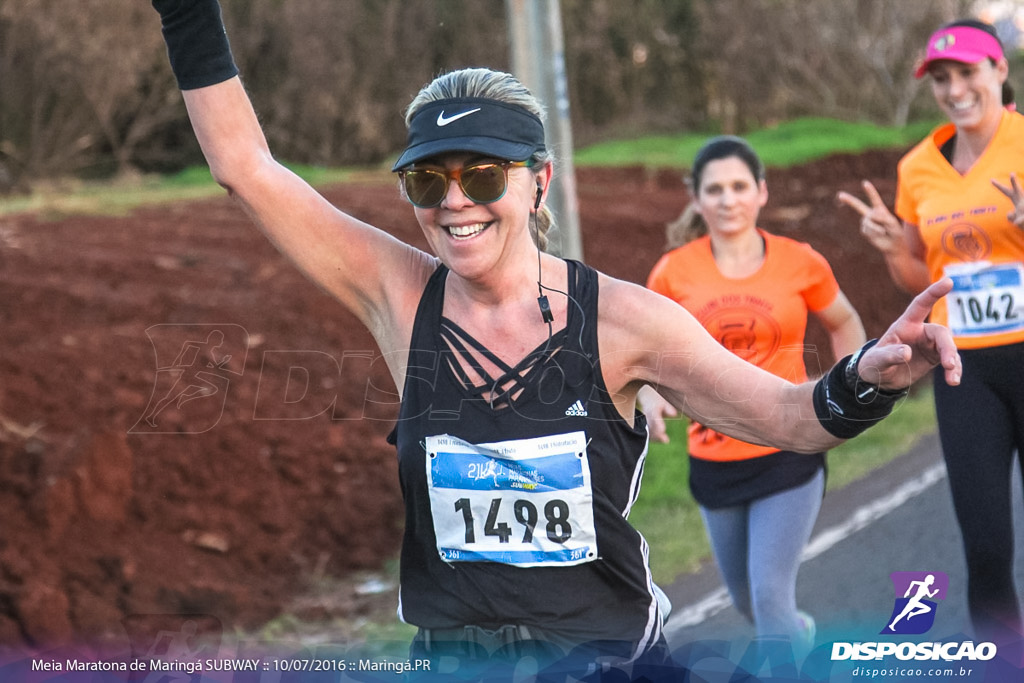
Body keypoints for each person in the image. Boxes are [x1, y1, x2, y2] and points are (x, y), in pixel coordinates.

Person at [151, 1, 962, 677]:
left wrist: (869, 375)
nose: (454, 202)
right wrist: (186, 8)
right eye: (428, 180)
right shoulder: (398, 294)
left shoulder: (624, 321)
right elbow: (245, 166)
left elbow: (789, 418)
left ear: (536, 179)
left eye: (482, 175)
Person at [838, 18, 1024, 644]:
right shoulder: (917, 167)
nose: (954, 88)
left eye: (967, 72)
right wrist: (896, 247)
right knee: (987, 546)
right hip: (963, 369)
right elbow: (921, 276)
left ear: (1000, 70)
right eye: (941, 78)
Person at [641, 136, 866, 653]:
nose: (728, 199)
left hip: (789, 447)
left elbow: (846, 321)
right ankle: (801, 637)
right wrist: (651, 396)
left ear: (762, 192)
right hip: (713, 459)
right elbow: (644, 352)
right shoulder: (673, 271)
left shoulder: (800, 262)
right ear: (696, 199)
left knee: (770, 601)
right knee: (747, 604)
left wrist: (844, 391)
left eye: (740, 186)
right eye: (714, 189)